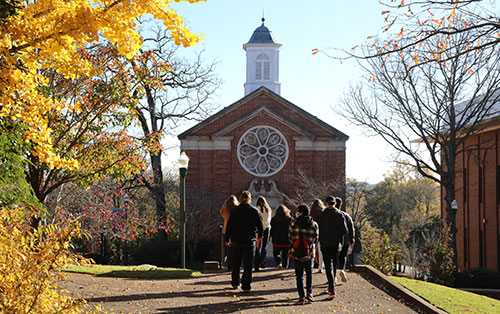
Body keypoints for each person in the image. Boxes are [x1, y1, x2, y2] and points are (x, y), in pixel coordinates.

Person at [224, 191, 263, 292]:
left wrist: (227, 238)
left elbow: (229, 226)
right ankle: (246, 286)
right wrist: (260, 235)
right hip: (249, 241)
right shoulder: (254, 211)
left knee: (236, 263)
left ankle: (235, 283)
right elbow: (260, 225)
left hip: (236, 240)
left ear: (240, 199)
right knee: (248, 264)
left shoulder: (235, 211)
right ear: (250, 199)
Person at [317, 195, 348, 299]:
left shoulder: (322, 215)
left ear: (326, 204)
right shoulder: (339, 215)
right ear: (335, 204)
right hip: (336, 244)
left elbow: (318, 229)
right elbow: (345, 231)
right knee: (334, 264)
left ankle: (331, 288)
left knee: (327, 265)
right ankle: (332, 286)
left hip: (325, 243)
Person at [288, 204, 319, 305]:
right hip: (309, 253)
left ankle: (301, 296)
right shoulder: (314, 224)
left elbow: (290, 238)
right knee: (309, 274)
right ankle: (309, 294)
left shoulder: (293, 224)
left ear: (300, 213)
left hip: (297, 253)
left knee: (299, 276)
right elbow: (316, 239)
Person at [335, 196, 355, 282]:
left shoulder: (332, 215)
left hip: (334, 240)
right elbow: (351, 228)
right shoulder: (347, 216)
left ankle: (333, 276)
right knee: (343, 256)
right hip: (346, 240)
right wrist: (352, 240)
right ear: (341, 205)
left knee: (334, 258)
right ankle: (342, 270)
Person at [270, 204, 294, 268]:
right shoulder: (289, 219)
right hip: (287, 240)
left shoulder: (274, 219)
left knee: (276, 253)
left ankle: (278, 263)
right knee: (285, 255)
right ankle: (284, 266)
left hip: (276, 240)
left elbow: (272, 229)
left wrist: (271, 237)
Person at [220, 195, 239, 270]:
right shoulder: (236, 208)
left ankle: (229, 264)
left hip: (225, 229)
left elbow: (221, 212)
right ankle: (234, 264)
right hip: (234, 229)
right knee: (235, 247)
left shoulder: (225, 208)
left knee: (228, 247)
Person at [254, 196, 272, 271]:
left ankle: (256, 265)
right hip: (267, 228)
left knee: (257, 247)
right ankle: (263, 261)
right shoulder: (269, 209)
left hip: (258, 229)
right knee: (264, 246)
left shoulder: (256, 209)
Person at [310, 199, 325, 273]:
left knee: (313, 249)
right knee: (321, 251)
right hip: (322, 233)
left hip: (313, 232)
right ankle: (320, 267)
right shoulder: (323, 213)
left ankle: (311, 265)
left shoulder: (312, 213)